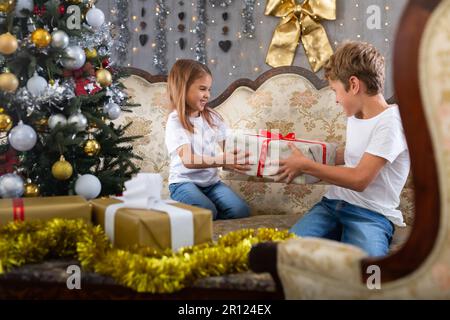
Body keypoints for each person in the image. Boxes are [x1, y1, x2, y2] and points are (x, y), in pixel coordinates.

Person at [277, 41, 411, 257]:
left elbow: (360, 178)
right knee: (286, 255)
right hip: (332, 205)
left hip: (371, 215)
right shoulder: (357, 115)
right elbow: (352, 155)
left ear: (354, 84)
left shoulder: (391, 123)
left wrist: (307, 166)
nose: (337, 99)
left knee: (364, 274)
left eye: (335, 91)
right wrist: (304, 153)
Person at [165, 59, 251, 220]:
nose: (207, 95)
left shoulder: (212, 117)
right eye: (202, 89)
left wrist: (251, 155)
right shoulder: (176, 120)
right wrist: (222, 160)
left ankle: (201, 213)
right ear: (183, 88)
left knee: (240, 211)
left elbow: (230, 147)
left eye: (209, 89)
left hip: (211, 184)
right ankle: (189, 210)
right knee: (207, 211)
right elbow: (188, 160)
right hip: (183, 182)